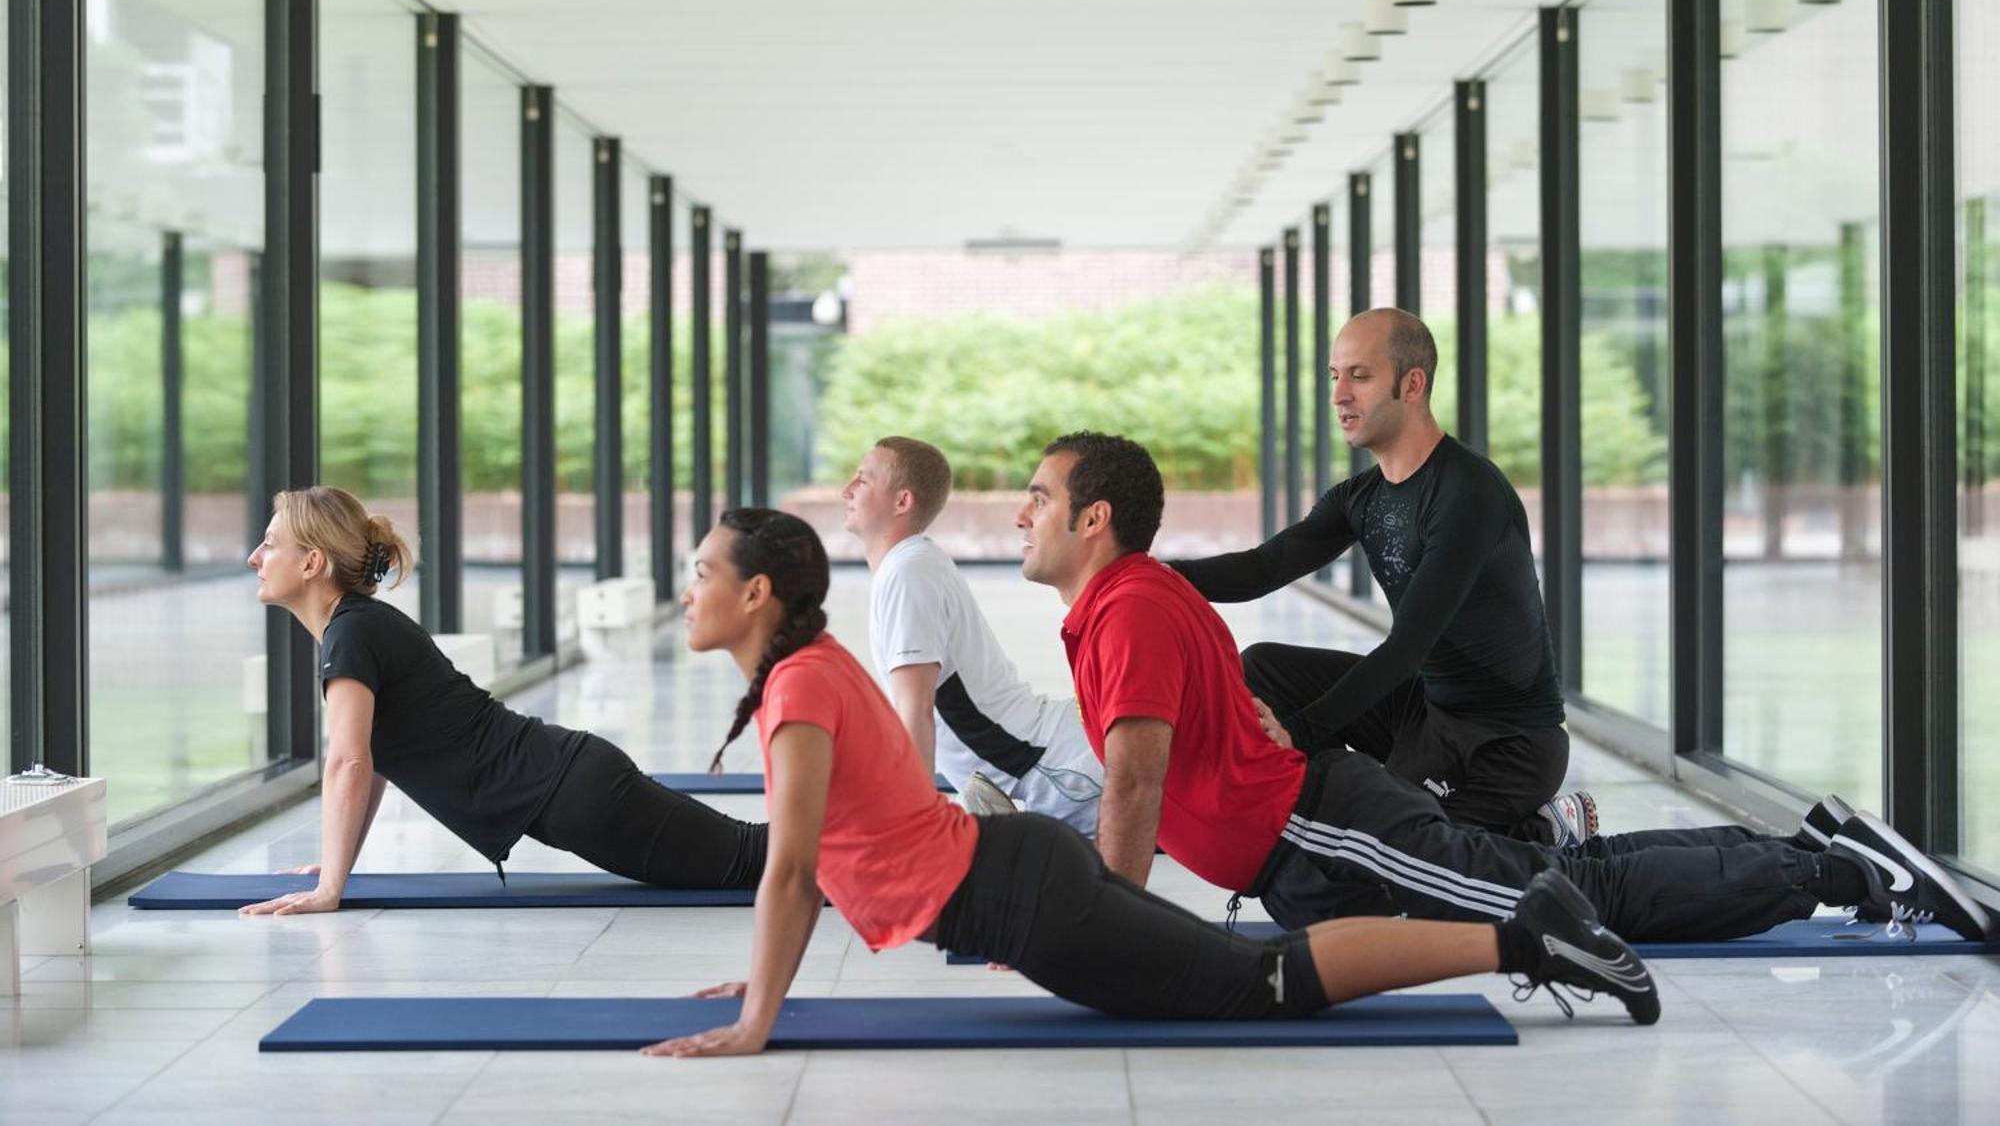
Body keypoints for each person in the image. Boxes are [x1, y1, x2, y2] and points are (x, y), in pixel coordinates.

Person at [640, 508, 1659, 1059]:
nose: (689, 589)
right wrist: (762, 976)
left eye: (700, 571)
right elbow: (827, 852)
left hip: (1024, 893)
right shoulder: (804, 676)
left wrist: (756, 1018)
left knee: (1254, 981)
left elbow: (787, 869)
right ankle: (1531, 931)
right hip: (1017, 880)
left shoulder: (801, 684)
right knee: (1244, 964)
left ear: (756, 592)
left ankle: (1532, 935)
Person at [1017, 431, 1993, 947]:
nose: (1021, 514)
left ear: (1092, 518)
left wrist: (1108, 933)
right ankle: (1809, 845)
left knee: (1569, 898)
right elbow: (1253, 591)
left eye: (1036, 498)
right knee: (1571, 875)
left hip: (1379, 803)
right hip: (1323, 827)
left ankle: (1841, 871)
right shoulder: (1136, 595)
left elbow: (1135, 783)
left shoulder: (1132, 605)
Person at [237, 486, 766, 916]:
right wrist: (336, 869)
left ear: (312, 563)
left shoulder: (352, 632)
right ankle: (846, 833)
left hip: (574, 792)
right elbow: (371, 761)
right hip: (570, 786)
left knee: (752, 860)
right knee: (750, 855)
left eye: (269, 544)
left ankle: (848, 833)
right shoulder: (355, 627)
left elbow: (348, 762)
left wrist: (329, 890)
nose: (254, 557)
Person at [1169, 309, 1589, 847]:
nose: (1339, 394)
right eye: (1334, 376)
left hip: (1504, 745)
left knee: (1388, 857)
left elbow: (1406, 648)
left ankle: (1542, 828)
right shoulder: (1361, 497)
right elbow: (1262, 568)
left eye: (1359, 376)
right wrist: (1142, 574)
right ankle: (1306, 805)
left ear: (1412, 384)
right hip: (1428, 715)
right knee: (1265, 668)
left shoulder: (1467, 494)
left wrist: (1298, 732)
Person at [842, 436, 1103, 831]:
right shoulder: (913, 563)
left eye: (862, 480)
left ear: (902, 501)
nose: (847, 490)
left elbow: (915, 714)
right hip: (1056, 756)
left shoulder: (907, 571)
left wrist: (908, 830)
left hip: (1057, 773)